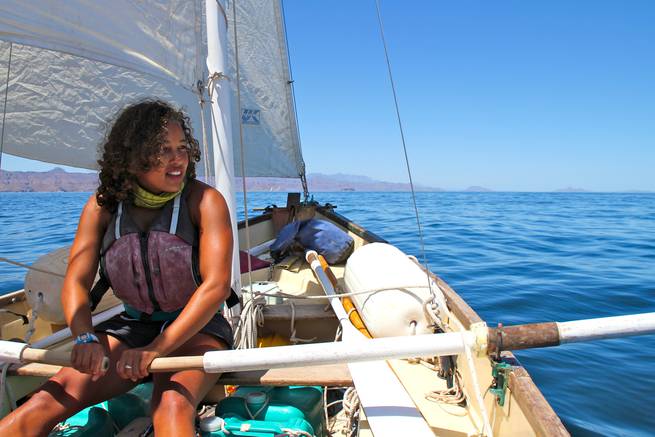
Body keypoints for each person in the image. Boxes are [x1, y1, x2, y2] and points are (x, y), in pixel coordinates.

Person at [0, 100, 234, 436]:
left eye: (182, 148)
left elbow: (216, 286)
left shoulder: (204, 201)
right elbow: (77, 282)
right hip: (131, 327)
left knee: (169, 406)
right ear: (133, 155)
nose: (177, 158)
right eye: (162, 149)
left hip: (198, 330)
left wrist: (157, 349)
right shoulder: (103, 207)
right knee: (44, 402)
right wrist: (83, 336)